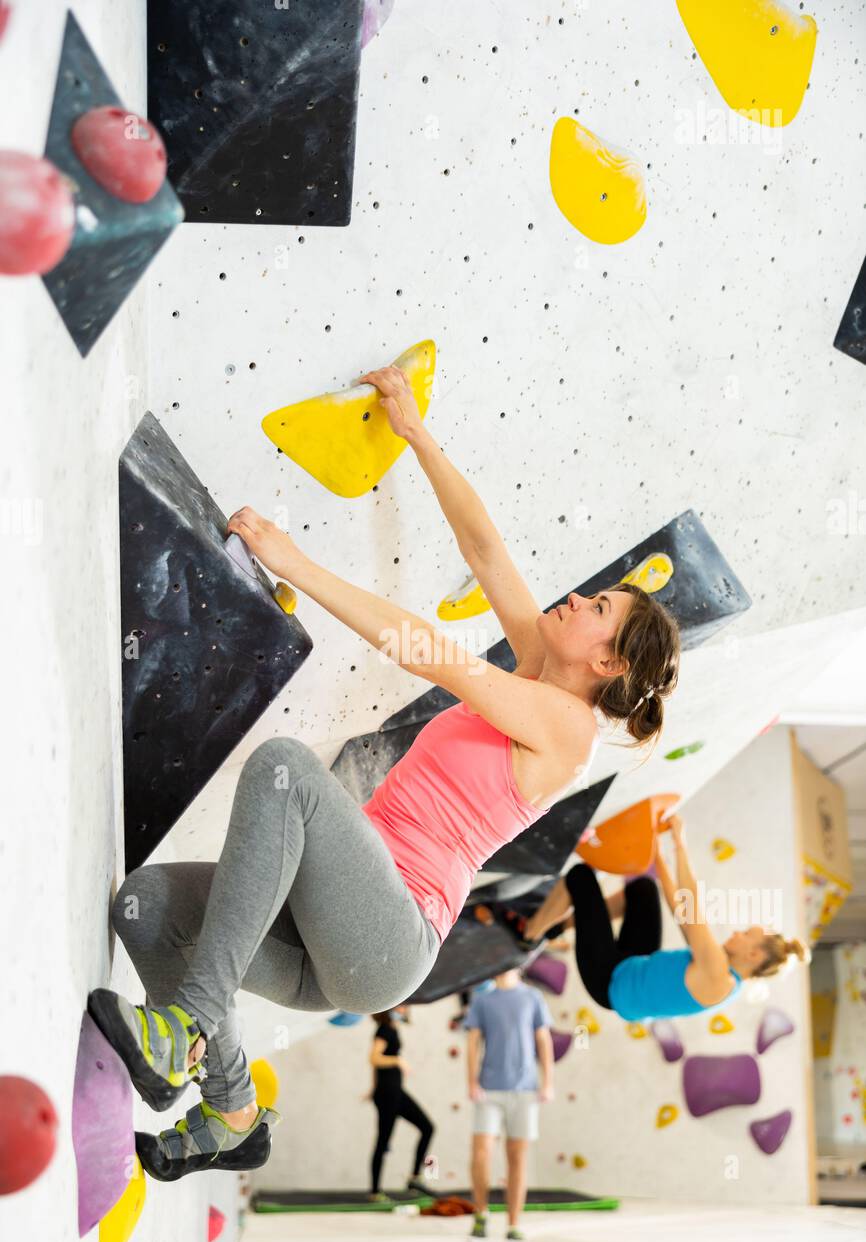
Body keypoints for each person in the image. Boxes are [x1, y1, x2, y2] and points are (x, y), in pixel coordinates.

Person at [89, 364, 680, 1181]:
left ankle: (186, 1027)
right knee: (144, 908)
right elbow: (485, 548)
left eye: (599, 609)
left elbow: (426, 649)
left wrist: (292, 562)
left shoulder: (567, 725)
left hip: (387, 940)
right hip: (315, 924)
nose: (578, 599)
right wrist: (414, 432)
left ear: (610, 662)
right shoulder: (542, 667)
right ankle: (230, 1112)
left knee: (288, 771)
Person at [518, 813, 808, 1021]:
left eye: (745, 935)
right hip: (637, 965)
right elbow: (680, 909)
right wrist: (655, 852)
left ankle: (531, 933)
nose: (736, 933)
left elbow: (689, 905)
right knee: (643, 889)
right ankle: (563, 925)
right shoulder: (721, 970)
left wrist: (678, 844)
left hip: (610, 983)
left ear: (754, 955)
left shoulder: (719, 976)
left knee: (580, 877)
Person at [465, 969, 554, 1240]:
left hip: (525, 1091)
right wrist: (471, 1081)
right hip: (489, 1090)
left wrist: (547, 1082)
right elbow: (472, 1042)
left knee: (517, 1157)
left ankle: (513, 1224)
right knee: (481, 1153)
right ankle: (481, 1213)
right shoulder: (483, 1000)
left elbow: (543, 1039)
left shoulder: (533, 997)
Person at [367, 1009, 434, 1201]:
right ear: (392, 1008)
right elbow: (374, 1058)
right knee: (383, 1141)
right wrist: (398, 1060)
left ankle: (415, 1177)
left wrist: (373, 1087)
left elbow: (375, 1064)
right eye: (402, 1005)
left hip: (394, 1092)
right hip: (388, 1094)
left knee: (427, 1128)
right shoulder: (384, 1029)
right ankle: (375, 1192)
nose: (405, 1009)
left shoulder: (392, 1029)